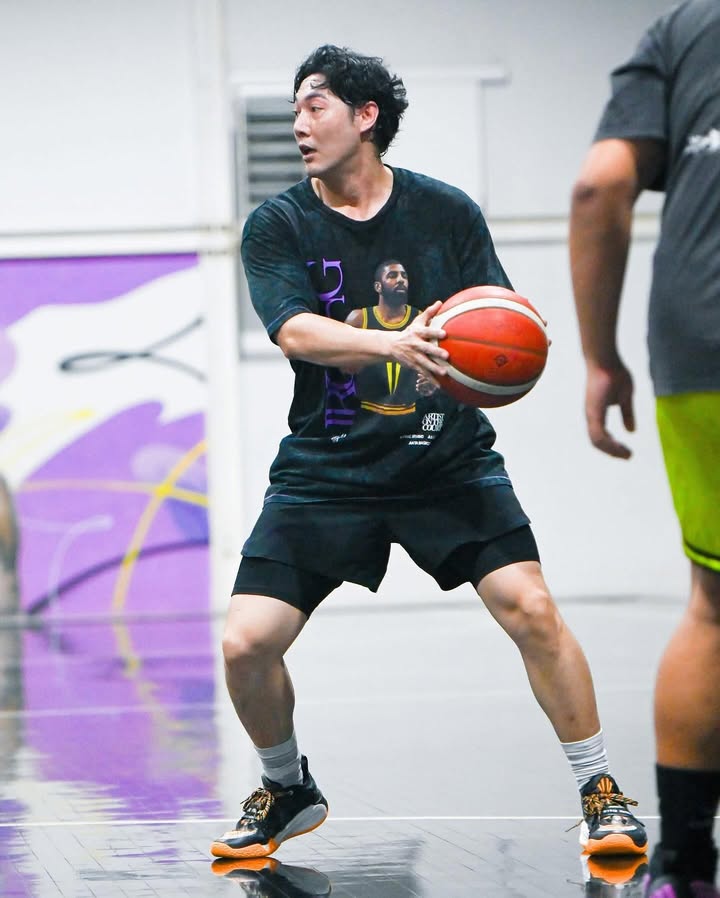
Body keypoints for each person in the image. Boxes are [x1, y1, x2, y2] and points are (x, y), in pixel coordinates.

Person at [211, 43, 647, 864]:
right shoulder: (278, 224)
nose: (299, 123)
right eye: (295, 108)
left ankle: (600, 790)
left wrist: (516, 346)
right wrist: (392, 342)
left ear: (365, 116)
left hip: (446, 460)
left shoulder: (445, 211)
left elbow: (499, 313)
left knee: (532, 609)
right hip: (327, 468)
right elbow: (294, 331)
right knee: (245, 643)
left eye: (314, 106)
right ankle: (286, 786)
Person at [569, 3, 720, 896]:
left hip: (700, 338)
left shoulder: (685, 29)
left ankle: (685, 867)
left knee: (714, 606)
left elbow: (599, 185)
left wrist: (600, 357)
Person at [345, 259, 423, 416]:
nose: (400, 280)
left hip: (411, 415)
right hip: (367, 414)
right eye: (392, 275)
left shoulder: (421, 319)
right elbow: (341, 365)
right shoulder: (359, 319)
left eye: (404, 276)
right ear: (378, 286)